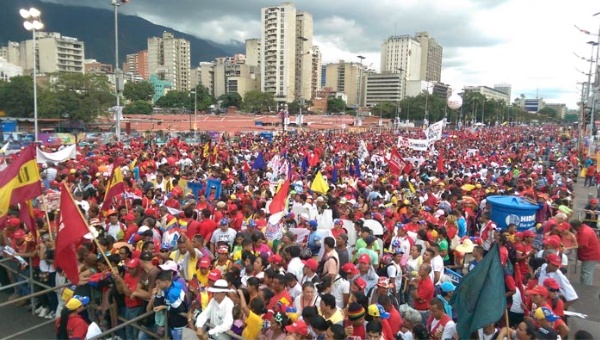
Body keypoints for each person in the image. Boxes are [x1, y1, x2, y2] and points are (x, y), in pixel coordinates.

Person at [148, 270, 188, 340]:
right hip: (170, 323)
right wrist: (159, 291)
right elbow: (158, 305)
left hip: (179, 325)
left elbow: (180, 309)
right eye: (156, 283)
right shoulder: (165, 288)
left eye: (159, 283)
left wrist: (164, 307)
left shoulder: (173, 292)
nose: (157, 285)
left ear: (166, 282)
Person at [570, 220, 600, 285]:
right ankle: (586, 286)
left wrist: (570, 246)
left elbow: (581, 245)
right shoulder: (584, 228)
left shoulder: (584, 232)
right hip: (590, 254)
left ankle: (586, 288)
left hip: (590, 255)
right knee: (587, 272)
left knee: (586, 273)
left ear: (576, 227)